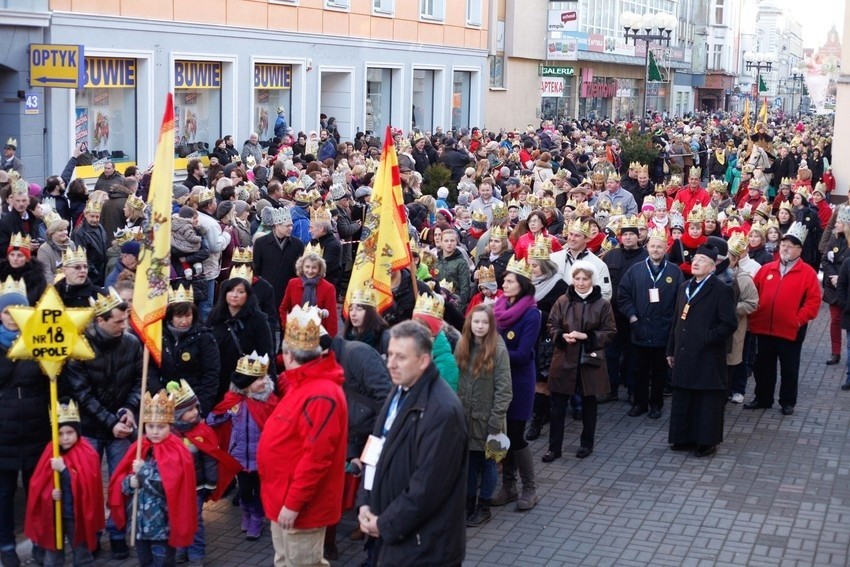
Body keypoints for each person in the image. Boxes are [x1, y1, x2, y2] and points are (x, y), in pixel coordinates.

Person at [357, 321, 467, 566]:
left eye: (401, 357)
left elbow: (427, 486)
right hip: (391, 536)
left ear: (423, 361)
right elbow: (374, 448)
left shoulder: (442, 411)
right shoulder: (399, 390)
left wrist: (384, 524)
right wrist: (364, 501)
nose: (390, 364)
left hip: (423, 548)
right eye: (390, 355)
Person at [257, 304, 348, 567]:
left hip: (301, 509)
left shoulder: (321, 394)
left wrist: (293, 504)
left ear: (288, 354)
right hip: (283, 500)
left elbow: (316, 458)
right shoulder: (302, 384)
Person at [60, 288, 141, 559]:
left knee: (121, 484)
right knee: (87, 486)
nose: (124, 325)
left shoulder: (132, 343)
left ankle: (117, 532)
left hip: (120, 425)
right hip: (91, 428)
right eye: (118, 321)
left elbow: (138, 383)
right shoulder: (79, 348)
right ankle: (91, 535)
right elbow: (81, 394)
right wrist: (110, 423)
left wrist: (130, 408)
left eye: (125, 319)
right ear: (100, 320)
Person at [108, 391, 198, 567]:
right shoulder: (141, 447)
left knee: (162, 563)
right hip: (141, 526)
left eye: (160, 427)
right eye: (150, 426)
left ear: (169, 426)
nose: (154, 431)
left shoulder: (176, 450)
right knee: (145, 563)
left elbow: (168, 486)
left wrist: (143, 473)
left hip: (162, 528)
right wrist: (129, 483)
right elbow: (123, 480)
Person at [666, 242, 737, 457]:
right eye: (695, 259)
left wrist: (707, 338)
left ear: (713, 267)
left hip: (707, 354)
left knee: (706, 400)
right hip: (684, 351)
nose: (696, 263)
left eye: (702, 261)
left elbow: (729, 323)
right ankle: (683, 437)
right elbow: (676, 320)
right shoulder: (684, 287)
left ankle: (706, 441)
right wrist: (671, 349)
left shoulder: (720, 289)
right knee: (684, 396)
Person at [746, 222, 822, 415]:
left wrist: (797, 319)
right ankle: (763, 397)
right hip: (763, 328)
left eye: (790, 245)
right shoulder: (767, 269)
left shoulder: (808, 274)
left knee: (789, 368)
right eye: (783, 245)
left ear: (799, 249)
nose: (785, 248)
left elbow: (813, 303)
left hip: (791, 330)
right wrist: (754, 316)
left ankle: (787, 402)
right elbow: (754, 293)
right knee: (763, 367)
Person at [0, 279, 50, 567]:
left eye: (20, 308)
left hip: (35, 429)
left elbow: (51, 384)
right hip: (3, 432)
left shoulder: (40, 341)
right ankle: (6, 544)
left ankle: (41, 541)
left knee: (37, 492)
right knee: (5, 494)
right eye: (8, 311)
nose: (14, 315)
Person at [545, 261, 616, 461]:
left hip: (589, 360)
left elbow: (610, 331)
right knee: (558, 406)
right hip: (565, 358)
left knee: (588, 406)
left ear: (592, 280)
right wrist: (561, 335)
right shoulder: (562, 301)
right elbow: (552, 324)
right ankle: (554, 448)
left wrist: (588, 337)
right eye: (577, 278)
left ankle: (587, 444)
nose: (581, 283)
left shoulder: (602, 304)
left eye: (585, 279)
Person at [167, 380, 241, 566]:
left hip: (197, 488)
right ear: (177, 415)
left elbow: (210, 459)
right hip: (177, 489)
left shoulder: (202, 431)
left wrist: (210, 485)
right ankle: (181, 549)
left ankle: (196, 554)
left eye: (195, 408)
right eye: (189, 410)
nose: (195, 412)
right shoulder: (171, 435)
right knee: (177, 519)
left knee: (195, 522)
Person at [208, 352, 279, 541]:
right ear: (246, 384)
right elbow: (216, 417)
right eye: (258, 379)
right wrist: (218, 416)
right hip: (239, 456)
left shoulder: (269, 402)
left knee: (259, 489)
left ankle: (256, 516)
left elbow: (277, 426)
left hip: (260, 456)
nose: (264, 382)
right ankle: (247, 512)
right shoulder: (234, 401)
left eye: (264, 377)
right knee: (245, 490)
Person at [25, 399, 104, 567]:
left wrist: (64, 470)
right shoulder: (50, 451)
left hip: (76, 515)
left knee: (81, 552)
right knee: (52, 555)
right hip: (54, 514)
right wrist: (50, 493)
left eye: (70, 432)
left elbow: (86, 484)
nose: (65, 438)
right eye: (60, 434)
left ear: (78, 432)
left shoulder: (87, 452)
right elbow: (38, 484)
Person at [617, 227, 683, 419]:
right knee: (639, 369)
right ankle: (639, 403)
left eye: (659, 247)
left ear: (665, 249)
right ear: (647, 247)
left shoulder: (675, 272)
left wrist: (672, 322)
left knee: (660, 371)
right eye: (652, 246)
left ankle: (656, 405)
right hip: (639, 327)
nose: (655, 250)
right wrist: (632, 317)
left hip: (663, 330)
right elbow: (623, 296)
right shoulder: (635, 270)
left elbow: (679, 300)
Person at [455, 305, 512, 527]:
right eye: (476, 321)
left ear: (491, 325)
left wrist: (496, 421)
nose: (480, 326)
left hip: (488, 420)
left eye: (484, 322)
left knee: (488, 465)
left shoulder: (498, 350)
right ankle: (469, 504)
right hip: (466, 418)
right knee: (469, 463)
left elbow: (504, 389)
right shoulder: (462, 345)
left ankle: (484, 506)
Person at [492, 256, 541, 511]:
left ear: (522, 284)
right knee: (503, 433)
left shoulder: (532, 314)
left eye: (510, 280)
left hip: (520, 380)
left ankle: (530, 488)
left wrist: (492, 353)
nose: (505, 283)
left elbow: (522, 354)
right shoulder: (499, 306)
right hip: (499, 379)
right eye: (505, 280)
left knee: (516, 435)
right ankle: (508, 486)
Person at [147, 286, 221, 417]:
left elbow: (211, 375)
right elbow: (150, 369)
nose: (184, 321)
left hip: (193, 404)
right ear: (170, 316)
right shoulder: (158, 336)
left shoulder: (204, 337)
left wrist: (201, 409)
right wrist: (158, 390)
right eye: (179, 316)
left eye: (188, 316)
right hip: (165, 402)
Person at [207, 275, 276, 401]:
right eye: (231, 290)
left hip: (243, 380)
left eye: (240, 292)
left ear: (248, 295)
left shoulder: (258, 319)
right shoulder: (215, 315)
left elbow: (266, 353)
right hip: (217, 376)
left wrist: (273, 389)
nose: (234, 295)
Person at [253, 207, 305, 315]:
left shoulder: (298, 244)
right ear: (277, 226)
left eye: (291, 225)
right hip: (268, 290)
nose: (291, 228)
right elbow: (256, 269)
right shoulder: (261, 243)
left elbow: (299, 270)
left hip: (289, 290)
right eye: (287, 226)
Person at [279, 248, 339, 339]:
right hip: (294, 334)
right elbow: (283, 308)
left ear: (320, 269)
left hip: (318, 336)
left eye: (314, 267)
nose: (310, 271)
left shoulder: (328, 288)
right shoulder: (293, 283)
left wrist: (330, 340)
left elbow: (332, 318)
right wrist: (287, 326)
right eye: (307, 266)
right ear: (302, 267)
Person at [824, 207, 850, 367]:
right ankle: (836, 352)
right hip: (833, 287)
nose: (836, 224)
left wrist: (841, 278)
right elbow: (825, 260)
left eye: (840, 222)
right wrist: (833, 277)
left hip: (847, 287)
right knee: (835, 320)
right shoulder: (834, 239)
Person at [0, 232, 46, 306]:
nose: (15, 259)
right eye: (12, 255)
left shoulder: (37, 277)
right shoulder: (1, 273)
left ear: (27, 258)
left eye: (20, 255)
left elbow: (43, 301)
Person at [72, 198, 109, 286]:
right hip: (91, 275)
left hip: (102, 271)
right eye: (92, 216)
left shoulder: (100, 227)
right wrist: (94, 272)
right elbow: (81, 255)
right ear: (85, 215)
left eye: (97, 217)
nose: (95, 219)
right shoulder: (79, 233)